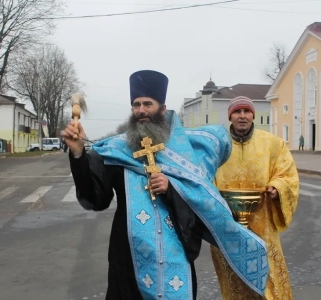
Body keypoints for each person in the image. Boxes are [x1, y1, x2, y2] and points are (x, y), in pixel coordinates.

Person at [62, 71, 269, 300]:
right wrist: (79, 152)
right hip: (128, 259)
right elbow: (96, 198)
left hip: (174, 255)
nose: (141, 110)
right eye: (136, 104)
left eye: (148, 104)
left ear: (162, 108)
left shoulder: (183, 155)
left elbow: (201, 203)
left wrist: (171, 189)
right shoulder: (118, 152)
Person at [210, 96, 299, 300]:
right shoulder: (217, 145)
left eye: (246, 111)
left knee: (269, 275)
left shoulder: (272, 144)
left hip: (263, 222)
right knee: (234, 277)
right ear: (230, 116)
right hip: (227, 224)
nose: (242, 116)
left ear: (253, 115)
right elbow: (205, 175)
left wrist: (278, 188)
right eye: (237, 112)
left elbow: (287, 174)